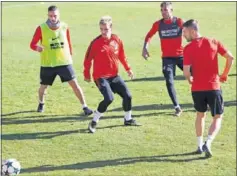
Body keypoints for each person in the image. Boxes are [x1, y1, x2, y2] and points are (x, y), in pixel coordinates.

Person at [182, 19, 234, 157]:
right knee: (217, 116)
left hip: (197, 89)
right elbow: (230, 58)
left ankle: (199, 145)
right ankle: (208, 142)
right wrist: (224, 74)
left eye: (185, 32)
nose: (183, 35)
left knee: (200, 115)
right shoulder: (214, 42)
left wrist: (190, 80)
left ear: (193, 31)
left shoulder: (187, 49)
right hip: (214, 87)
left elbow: (186, 71)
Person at [30, 5, 93, 115]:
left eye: (55, 16)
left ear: (59, 15)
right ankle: (41, 103)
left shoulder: (64, 26)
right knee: (43, 87)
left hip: (64, 62)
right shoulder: (41, 28)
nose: (53, 18)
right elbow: (32, 44)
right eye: (50, 16)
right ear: (47, 15)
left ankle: (85, 107)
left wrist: (70, 55)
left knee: (74, 84)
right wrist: (37, 48)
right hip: (48, 63)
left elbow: (68, 42)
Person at [84, 16, 139, 133]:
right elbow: (88, 59)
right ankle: (94, 121)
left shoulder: (117, 40)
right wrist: (86, 73)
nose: (103, 32)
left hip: (114, 76)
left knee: (127, 96)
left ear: (111, 28)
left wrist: (128, 69)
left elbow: (122, 56)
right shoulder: (95, 43)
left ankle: (128, 119)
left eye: (106, 29)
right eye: (101, 29)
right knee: (109, 98)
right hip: (101, 77)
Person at [142, 2, 184, 117]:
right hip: (167, 58)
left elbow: (189, 32)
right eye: (162, 10)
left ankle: (205, 102)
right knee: (169, 81)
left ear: (171, 10)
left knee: (195, 76)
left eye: (166, 10)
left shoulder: (179, 22)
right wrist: (145, 48)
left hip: (181, 56)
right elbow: (149, 35)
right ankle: (177, 107)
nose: (163, 12)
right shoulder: (158, 24)